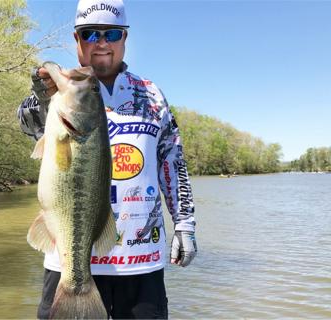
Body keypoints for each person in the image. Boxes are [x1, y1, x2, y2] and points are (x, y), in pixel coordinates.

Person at [17, 0, 197, 318]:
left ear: (124, 39)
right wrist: (40, 97)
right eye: (90, 34)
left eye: (112, 33)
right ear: (77, 40)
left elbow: (173, 160)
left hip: (141, 263)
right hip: (68, 261)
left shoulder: (152, 95)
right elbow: (27, 123)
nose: (101, 43)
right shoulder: (57, 93)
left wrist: (184, 224)